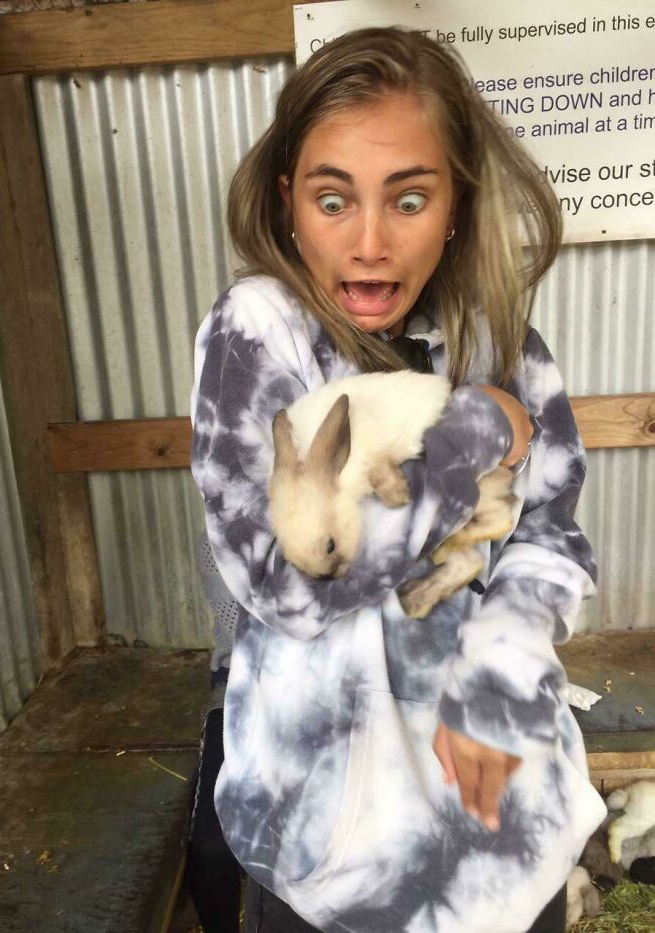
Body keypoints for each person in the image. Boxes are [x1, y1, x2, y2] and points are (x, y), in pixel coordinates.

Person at [189, 27, 606, 933]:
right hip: (335, 848)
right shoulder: (257, 334)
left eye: (408, 198)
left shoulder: (505, 348)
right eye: (332, 198)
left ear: (456, 203)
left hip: (496, 817)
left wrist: (499, 680)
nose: (370, 242)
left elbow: (552, 541)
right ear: (286, 201)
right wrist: (474, 434)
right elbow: (292, 582)